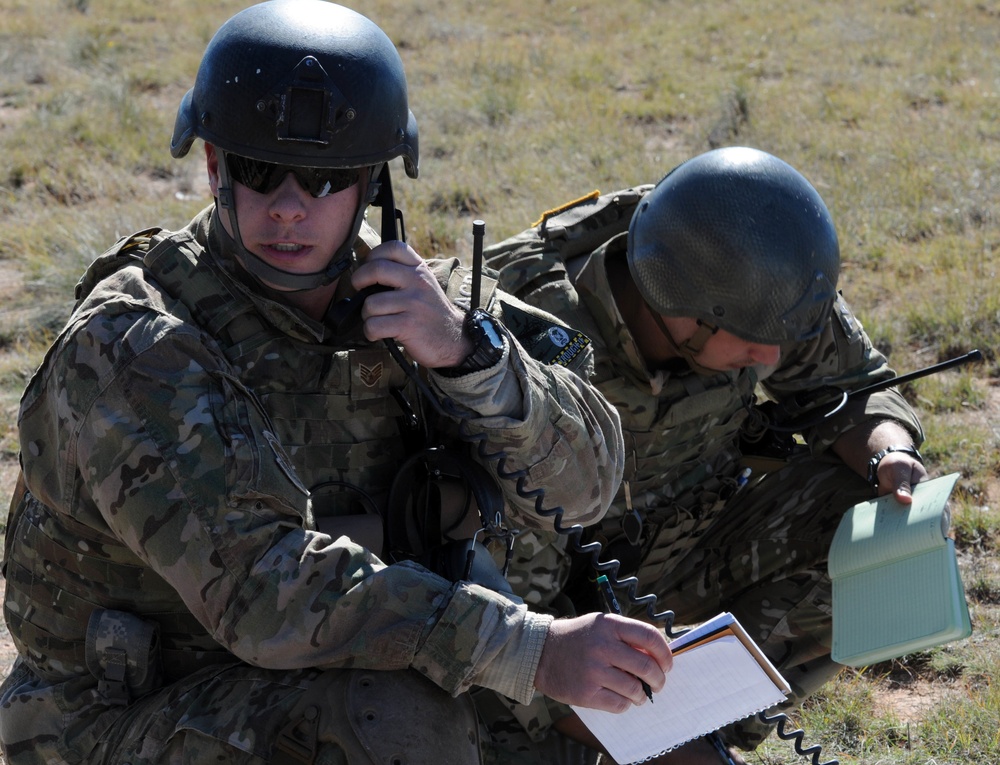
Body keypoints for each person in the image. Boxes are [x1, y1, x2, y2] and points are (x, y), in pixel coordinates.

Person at [0, 2, 675, 763]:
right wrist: (533, 650)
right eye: (258, 172)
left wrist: (466, 358)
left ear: (369, 184)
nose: (288, 208)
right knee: (398, 720)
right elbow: (262, 589)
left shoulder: (427, 304)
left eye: (322, 180)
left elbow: (591, 485)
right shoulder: (135, 342)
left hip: (328, 671)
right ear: (215, 168)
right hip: (120, 718)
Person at [483, 146, 926, 764]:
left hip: (686, 554)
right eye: (755, 344)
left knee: (879, 535)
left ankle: (713, 721)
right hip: (538, 610)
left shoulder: (754, 274)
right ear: (681, 309)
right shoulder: (521, 321)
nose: (772, 361)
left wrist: (890, 455)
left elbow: (854, 389)